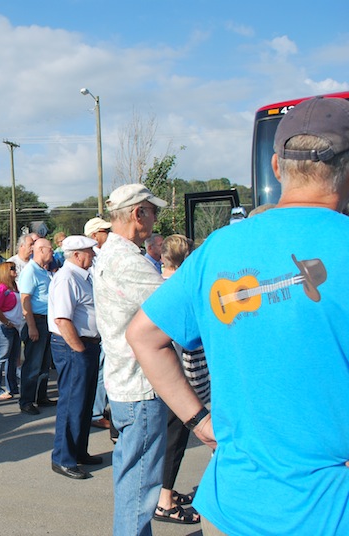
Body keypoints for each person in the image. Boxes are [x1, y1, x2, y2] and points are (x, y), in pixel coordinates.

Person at [127, 96, 349, 535]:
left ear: (275, 166)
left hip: (230, 506)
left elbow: (143, 335)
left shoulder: (217, 248)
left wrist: (198, 422)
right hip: (330, 511)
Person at [91, 183, 167, 536]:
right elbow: (174, 310)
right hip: (141, 385)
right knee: (139, 491)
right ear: (138, 213)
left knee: (131, 481)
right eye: (152, 211)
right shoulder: (127, 260)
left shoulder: (111, 254)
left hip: (127, 383)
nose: (154, 218)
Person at [151, 234, 208, 525]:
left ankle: (166, 493)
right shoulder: (178, 288)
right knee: (176, 440)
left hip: (170, 375)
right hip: (183, 377)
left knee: (174, 439)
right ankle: (164, 499)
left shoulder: (161, 283)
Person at [48, 235, 102, 480]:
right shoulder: (67, 278)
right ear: (77, 254)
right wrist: (79, 349)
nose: (93, 254)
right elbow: (62, 319)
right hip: (74, 345)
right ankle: (63, 458)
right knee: (72, 403)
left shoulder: (81, 276)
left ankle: (79, 451)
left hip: (85, 344)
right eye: (90, 251)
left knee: (84, 402)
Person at [18, 237, 56, 416]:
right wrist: (31, 326)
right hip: (37, 321)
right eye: (50, 249)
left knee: (44, 363)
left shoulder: (43, 271)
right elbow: (25, 300)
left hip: (47, 321)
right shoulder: (30, 271)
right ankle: (26, 400)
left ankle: (41, 396)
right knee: (32, 364)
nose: (53, 252)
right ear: (40, 250)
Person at [84, 216, 113, 430]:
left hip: (106, 319)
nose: (109, 234)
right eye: (105, 231)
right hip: (101, 322)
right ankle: (95, 412)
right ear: (95, 236)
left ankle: (99, 409)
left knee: (105, 368)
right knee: (102, 369)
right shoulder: (94, 260)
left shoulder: (103, 255)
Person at [0, 261, 23, 400]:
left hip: (14, 326)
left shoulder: (14, 286)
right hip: (4, 327)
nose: (15, 271)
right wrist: (6, 321)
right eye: (12, 269)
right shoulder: (2, 288)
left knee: (13, 358)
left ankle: (12, 386)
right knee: (0, 358)